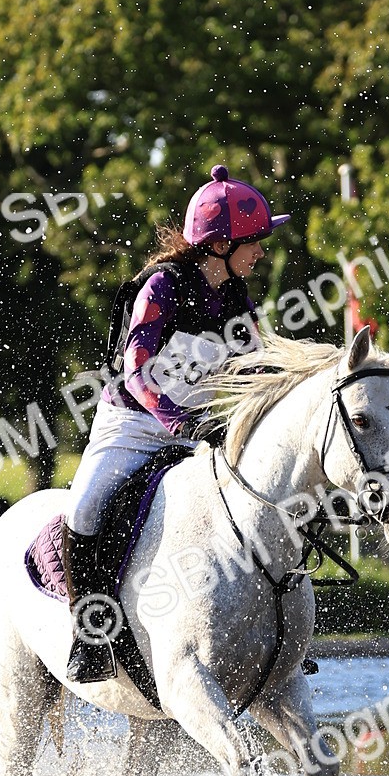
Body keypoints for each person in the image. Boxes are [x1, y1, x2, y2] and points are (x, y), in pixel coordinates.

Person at [63, 164, 290, 683]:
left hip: (201, 427)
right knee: (84, 509)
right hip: (133, 425)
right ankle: (90, 635)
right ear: (219, 245)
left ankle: (267, 633)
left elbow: (258, 361)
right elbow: (135, 369)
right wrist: (178, 422)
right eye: (254, 241)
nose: (261, 251)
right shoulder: (162, 287)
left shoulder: (235, 296)